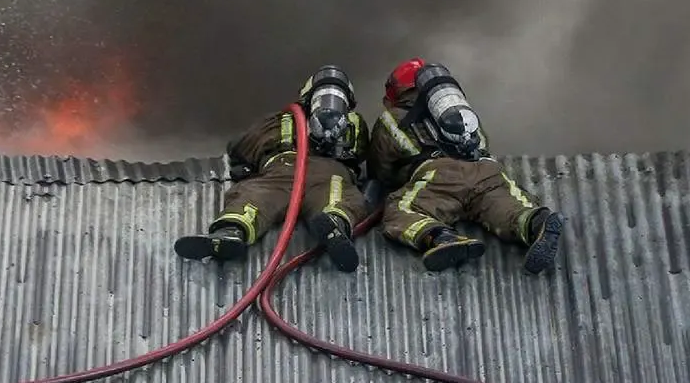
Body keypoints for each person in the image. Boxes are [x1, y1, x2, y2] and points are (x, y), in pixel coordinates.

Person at [367, 58, 565, 273]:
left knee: (400, 210)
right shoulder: (461, 112)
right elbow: (483, 143)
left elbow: (382, 169)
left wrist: (399, 179)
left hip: (440, 176)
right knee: (508, 208)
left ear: (396, 92)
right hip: (486, 170)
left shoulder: (392, 118)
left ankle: (441, 237)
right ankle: (536, 222)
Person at [174, 65, 373, 273]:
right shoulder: (356, 124)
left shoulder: (279, 120)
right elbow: (361, 155)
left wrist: (246, 168)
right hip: (331, 174)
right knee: (339, 199)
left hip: (282, 168)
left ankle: (231, 232)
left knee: (254, 196)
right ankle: (335, 226)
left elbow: (240, 146)